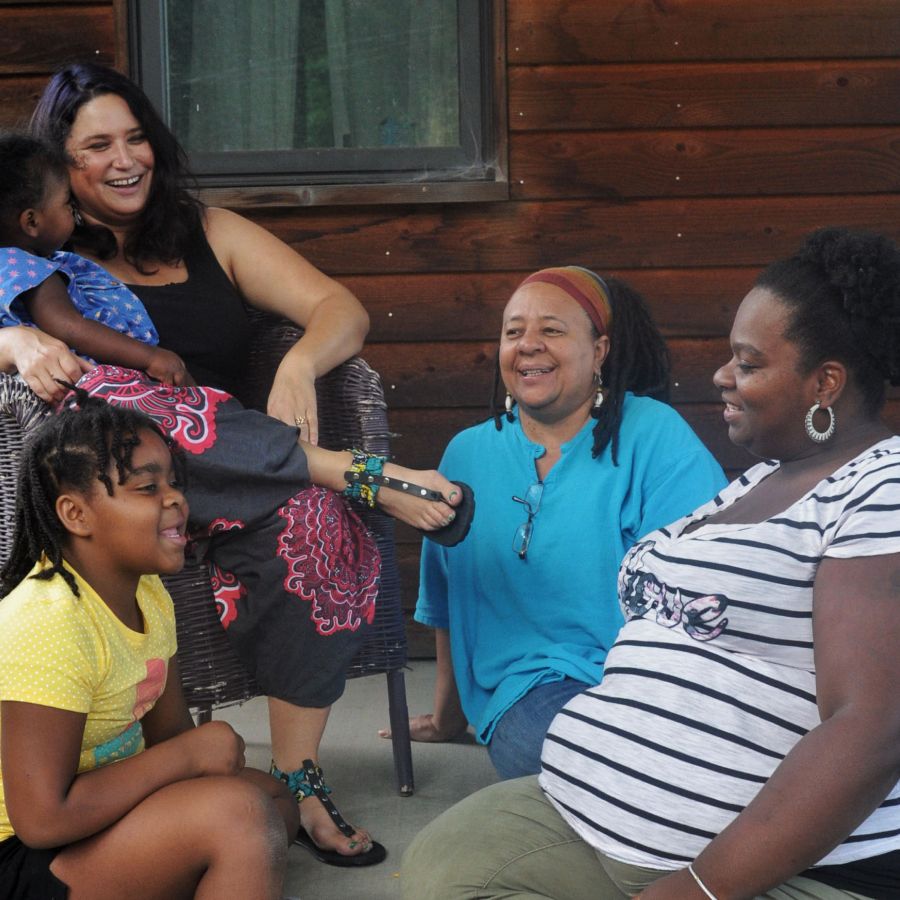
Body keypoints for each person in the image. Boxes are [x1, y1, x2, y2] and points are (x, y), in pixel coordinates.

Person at [23, 61, 467, 866]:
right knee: (147, 413)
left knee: (316, 524)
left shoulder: (210, 230)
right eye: (97, 147)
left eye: (135, 139)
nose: (126, 160)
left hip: (243, 481)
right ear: (58, 166)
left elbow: (342, 310)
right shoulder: (30, 254)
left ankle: (299, 781)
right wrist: (14, 340)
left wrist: (298, 364)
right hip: (121, 497)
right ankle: (349, 468)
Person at [400, 227, 900, 900]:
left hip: (735, 865)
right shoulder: (758, 482)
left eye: (747, 363)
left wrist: (699, 888)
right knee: (442, 870)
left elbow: (872, 727)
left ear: (825, 384)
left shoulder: (882, 488)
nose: (721, 376)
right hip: (594, 812)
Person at [382, 266, 726, 779]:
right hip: (533, 691)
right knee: (599, 764)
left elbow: (708, 589)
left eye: (552, 329)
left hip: (655, 680)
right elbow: (454, 601)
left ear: (600, 351)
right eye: (513, 331)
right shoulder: (467, 454)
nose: (528, 345)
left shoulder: (654, 436)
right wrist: (449, 718)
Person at [0, 393, 299, 899]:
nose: (175, 499)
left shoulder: (149, 594)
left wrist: (192, 757)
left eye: (174, 483)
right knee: (240, 818)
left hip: (97, 811)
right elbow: (42, 820)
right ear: (75, 514)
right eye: (146, 487)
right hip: (22, 856)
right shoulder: (44, 623)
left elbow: (171, 737)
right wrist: (189, 759)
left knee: (272, 802)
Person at [0, 131, 190, 385]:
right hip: (95, 387)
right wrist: (150, 357)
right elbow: (69, 326)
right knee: (204, 409)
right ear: (31, 221)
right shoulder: (29, 269)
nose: (75, 212)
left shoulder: (9, 266)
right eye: (68, 204)